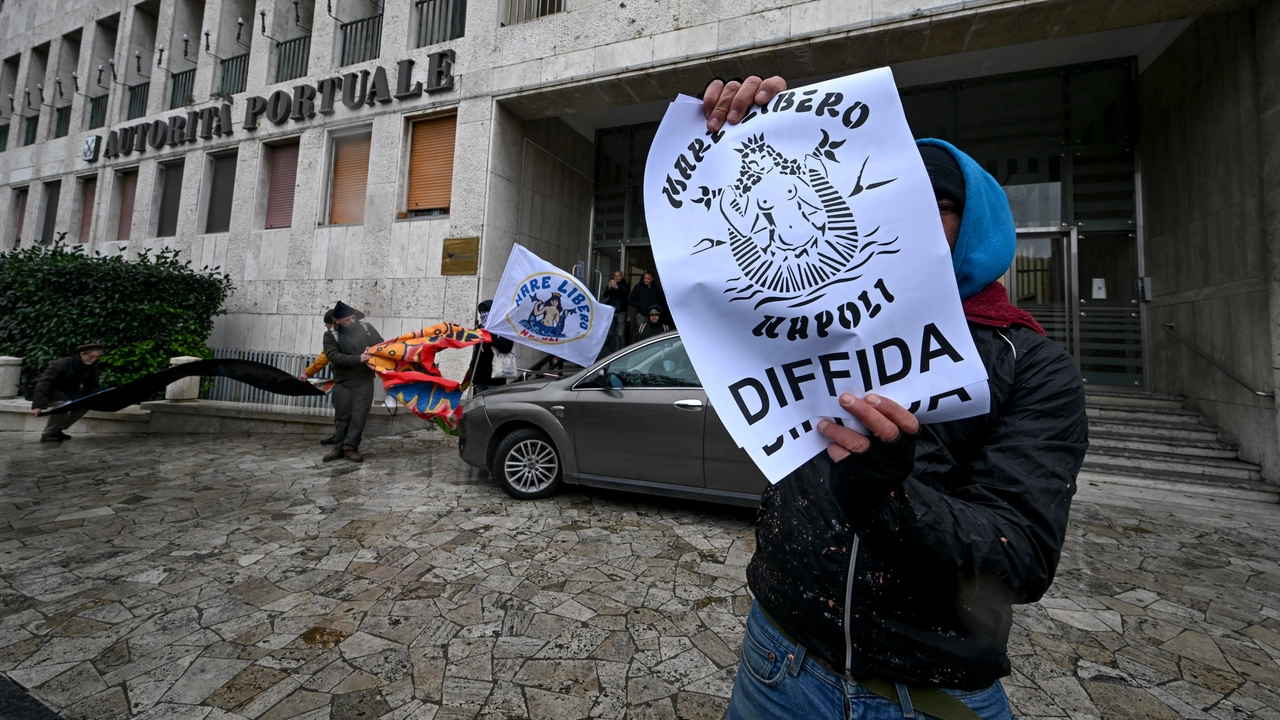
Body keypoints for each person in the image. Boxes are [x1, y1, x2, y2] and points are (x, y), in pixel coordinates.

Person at [702, 77, 1089, 720]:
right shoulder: (812, 324)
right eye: (897, 195)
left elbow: (1019, 557)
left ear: (979, 224)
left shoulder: (1035, 368)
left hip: (931, 694)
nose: (910, 214)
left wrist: (889, 496)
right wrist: (754, 137)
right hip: (779, 661)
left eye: (937, 202)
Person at [321, 301, 382, 463]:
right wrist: (359, 358)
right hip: (342, 381)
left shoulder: (367, 329)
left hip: (364, 380)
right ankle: (338, 448)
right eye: (347, 319)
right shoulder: (330, 335)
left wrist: (373, 350)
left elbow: (381, 344)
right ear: (338, 321)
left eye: (353, 318)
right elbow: (334, 356)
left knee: (359, 416)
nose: (352, 321)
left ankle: (351, 448)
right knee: (342, 416)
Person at [30, 342, 105, 443]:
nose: (94, 359)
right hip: (48, 390)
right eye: (92, 356)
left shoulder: (91, 367)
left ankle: (57, 430)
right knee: (63, 405)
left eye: (97, 357)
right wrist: (37, 405)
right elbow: (44, 383)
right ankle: (48, 434)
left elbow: (93, 386)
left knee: (84, 405)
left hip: (67, 392)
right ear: (82, 354)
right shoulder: (62, 363)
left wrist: (101, 398)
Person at [300, 310, 338, 446]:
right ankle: (344, 437)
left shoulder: (334, 335)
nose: (328, 329)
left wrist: (308, 373)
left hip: (344, 379)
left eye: (328, 326)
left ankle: (340, 437)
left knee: (341, 409)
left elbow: (324, 357)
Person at [470, 300, 516, 394]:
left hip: (495, 377)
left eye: (486, 312)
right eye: (481, 312)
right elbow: (477, 351)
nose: (483, 315)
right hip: (479, 377)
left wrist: (490, 333)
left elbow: (506, 348)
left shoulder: (503, 329)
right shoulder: (480, 329)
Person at [627, 271, 667, 338]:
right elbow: (631, 300)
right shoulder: (638, 287)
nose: (646, 280)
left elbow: (661, 300)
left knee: (655, 333)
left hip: (654, 314)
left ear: (652, 279)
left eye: (648, 278)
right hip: (642, 314)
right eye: (645, 278)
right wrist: (641, 306)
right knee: (641, 332)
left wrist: (658, 309)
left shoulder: (657, 288)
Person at [600, 270, 630, 352]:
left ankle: (622, 351)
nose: (616, 277)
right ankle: (611, 352)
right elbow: (605, 295)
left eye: (618, 276)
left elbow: (625, 295)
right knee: (611, 333)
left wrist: (617, 287)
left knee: (621, 334)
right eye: (615, 276)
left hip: (621, 311)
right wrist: (609, 288)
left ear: (622, 277)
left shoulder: (625, 285)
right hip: (612, 311)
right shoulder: (611, 283)